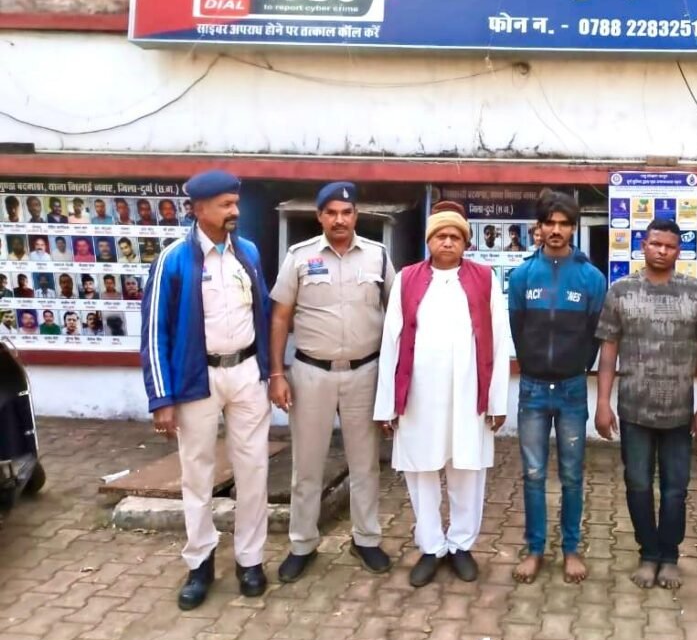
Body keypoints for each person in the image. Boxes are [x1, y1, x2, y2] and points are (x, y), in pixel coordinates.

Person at [141, 169, 273, 611]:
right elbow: (154, 331)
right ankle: (199, 563)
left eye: (235, 203)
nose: (234, 211)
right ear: (198, 210)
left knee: (253, 469)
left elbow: (264, 314)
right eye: (225, 205)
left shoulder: (248, 253)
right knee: (196, 473)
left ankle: (250, 560)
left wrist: (271, 372)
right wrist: (162, 398)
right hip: (197, 378)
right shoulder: (173, 259)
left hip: (247, 372)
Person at [373, 201, 509, 588]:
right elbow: (392, 342)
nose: (447, 242)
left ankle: (461, 545)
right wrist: (388, 404)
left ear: (465, 243)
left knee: (467, 471)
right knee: (421, 470)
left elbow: (499, 341)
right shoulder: (408, 278)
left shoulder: (484, 278)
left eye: (455, 236)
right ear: (429, 241)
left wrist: (497, 401)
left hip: (469, 393)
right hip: (419, 394)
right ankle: (431, 547)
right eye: (440, 236)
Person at [269, 182, 395, 582]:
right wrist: (277, 373)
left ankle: (366, 539)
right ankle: (302, 543)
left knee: (365, 464)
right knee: (307, 465)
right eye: (331, 212)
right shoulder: (300, 257)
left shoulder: (377, 256)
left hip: (365, 373)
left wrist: (395, 378)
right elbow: (280, 317)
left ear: (356, 215)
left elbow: (397, 314)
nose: (339, 219)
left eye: (347, 212)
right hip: (311, 373)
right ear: (320, 216)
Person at [594, 217, 697, 590]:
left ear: (679, 251)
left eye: (670, 246)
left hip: (680, 412)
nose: (662, 251)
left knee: (676, 487)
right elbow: (609, 348)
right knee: (637, 484)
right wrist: (603, 401)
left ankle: (670, 556)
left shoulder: (696, 293)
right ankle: (648, 553)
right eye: (655, 244)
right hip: (634, 409)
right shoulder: (621, 291)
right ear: (643, 246)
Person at [508, 191, 607, 585]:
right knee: (533, 474)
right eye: (549, 222)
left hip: (570, 389)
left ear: (573, 227)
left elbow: (595, 334)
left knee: (571, 474)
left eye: (564, 223)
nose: (556, 230)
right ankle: (534, 549)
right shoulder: (521, 276)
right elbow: (518, 329)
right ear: (539, 227)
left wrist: (577, 367)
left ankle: (570, 549)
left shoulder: (591, 278)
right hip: (532, 389)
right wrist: (533, 362)